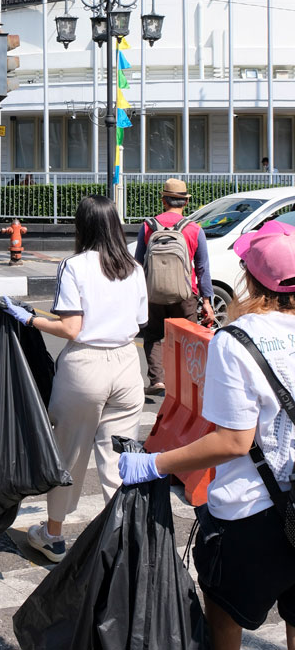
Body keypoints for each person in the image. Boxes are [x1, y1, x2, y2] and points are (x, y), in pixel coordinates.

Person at [119, 220, 295, 650]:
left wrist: (155, 462)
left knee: (223, 618)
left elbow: (233, 441)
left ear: (251, 281)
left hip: (250, 514)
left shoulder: (236, 341)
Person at [3, 194, 148, 563]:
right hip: (128, 364)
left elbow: (70, 327)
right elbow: (141, 320)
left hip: (86, 365)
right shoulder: (133, 267)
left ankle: (52, 535)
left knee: (68, 453)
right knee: (120, 456)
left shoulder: (76, 266)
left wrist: (29, 319)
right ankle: (126, 540)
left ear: (82, 226)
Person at [135, 177, 215, 394]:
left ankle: (157, 380)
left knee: (153, 336)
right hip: (185, 293)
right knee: (187, 338)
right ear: (186, 203)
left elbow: (138, 263)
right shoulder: (194, 229)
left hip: (153, 293)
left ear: (163, 200)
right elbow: (202, 268)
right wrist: (207, 301)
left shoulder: (148, 226)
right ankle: (186, 382)